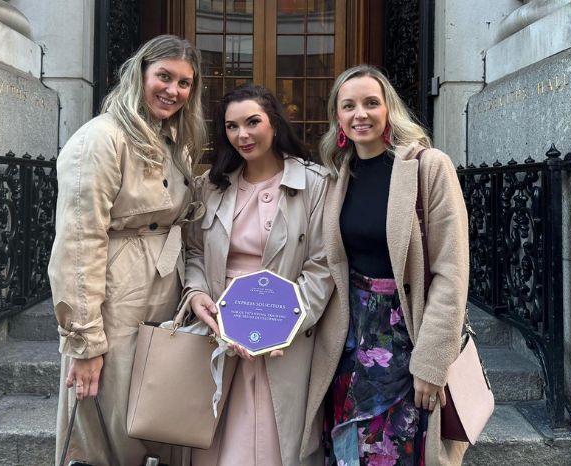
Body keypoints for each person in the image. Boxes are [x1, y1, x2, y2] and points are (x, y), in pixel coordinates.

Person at [48, 34, 207, 466]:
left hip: (165, 284)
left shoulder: (176, 142)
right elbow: (79, 244)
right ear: (141, 74)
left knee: (153, 413)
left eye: (185, 83)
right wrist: (83, 342)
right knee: (107, 419)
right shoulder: (99, 139)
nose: (173, 90)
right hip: (115, 290)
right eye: (164, 76)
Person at [303, 65, 470, 465]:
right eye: (349, 106)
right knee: (346, 448)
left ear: (388, 110)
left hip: (407, 333)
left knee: (395, 449)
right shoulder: (337, 177)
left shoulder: (429, 166)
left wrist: (433, 361)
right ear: (338, 118)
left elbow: (451, 271)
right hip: (348, 336)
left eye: (370, 103)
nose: (360, 113)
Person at [181, 84, 335, 466]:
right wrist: (197, 294)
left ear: (274, 123)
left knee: (274, 442)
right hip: (218, 329)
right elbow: (195, 251)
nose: (242, 135)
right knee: (213, 441)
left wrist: (282, 324)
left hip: (284, 332)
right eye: (232, 127)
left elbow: (322, 265)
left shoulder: (315, 184)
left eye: (253, 122)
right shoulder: (210, 186)